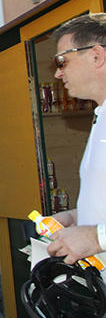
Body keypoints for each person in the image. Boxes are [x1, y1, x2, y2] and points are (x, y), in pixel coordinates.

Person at [46, 13, 106, 263]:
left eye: (62, 62)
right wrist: (76, 217)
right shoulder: (100, 115)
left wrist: (95, 238)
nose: (58, 74)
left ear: (96, 55)